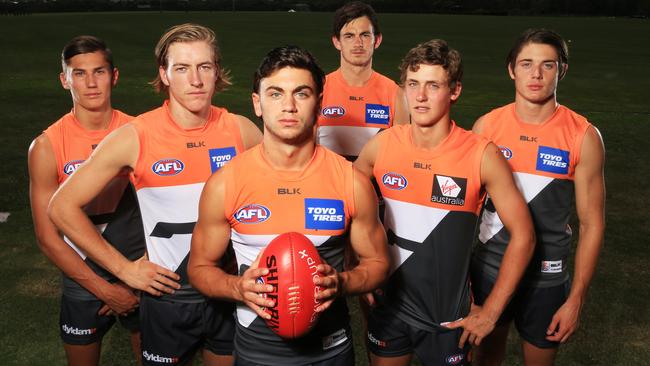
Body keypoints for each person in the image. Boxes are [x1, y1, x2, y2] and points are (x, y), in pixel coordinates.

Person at [48, 24, 262, 365]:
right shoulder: (136, 136)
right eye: (181, 68)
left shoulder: (241, 131)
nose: (195, 79)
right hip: (167, 301)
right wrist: (124, 270)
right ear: (164, 74)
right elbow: (61, 207)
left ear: (217, 71)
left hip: (226, 292)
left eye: (204, 67)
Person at [188, 45, 390, 366]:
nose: (289, 106)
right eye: (275, 93)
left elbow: (378, 263)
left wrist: (342, 282)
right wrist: (237, 287)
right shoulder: (225, 183)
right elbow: (199, 269)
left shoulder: (350, 182)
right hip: (256, 352)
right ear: (258, 103)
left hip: (330, 351)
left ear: (320, 103)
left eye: (302, 93)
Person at [354, 39, 535, 366]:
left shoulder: (482, 154)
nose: (420, 96)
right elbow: (346, 204)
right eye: (413, 84)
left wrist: (491, 311)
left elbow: (524, 235)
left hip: (447, 319)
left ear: (454, 90)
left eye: (433, 85)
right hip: (389, 309)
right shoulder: (381, 146)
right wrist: (357, 265)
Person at [470, 28, 606, 366]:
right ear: (511, 69)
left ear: (561, 70)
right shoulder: (486, 127)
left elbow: (591, 224)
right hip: (488, 270)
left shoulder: (583, 136)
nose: (536, 74)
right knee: (484, 357)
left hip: (547, 277)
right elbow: (464, 214)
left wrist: (576, 299)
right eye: (527, 63)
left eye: (547, 65)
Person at [28, 35, 143, 366]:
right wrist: (105, 289)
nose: (91, 83)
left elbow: (162, 216)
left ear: (115, 76)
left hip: (139, 264)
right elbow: (48, 238)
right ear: (65, 80)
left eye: (99, 72)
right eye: (79, 73)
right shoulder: (47, 146)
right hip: (81, 269)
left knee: (153, 357)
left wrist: (132, 279)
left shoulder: (139, 133)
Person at [317, 1, 409, 161]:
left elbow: (400, 157)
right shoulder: (318, 89)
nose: (358, 43)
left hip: (373, 185)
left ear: (377, 40)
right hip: (326, 183)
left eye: (365, 35)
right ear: (337, 42)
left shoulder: (396, 94)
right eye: (349, 36)